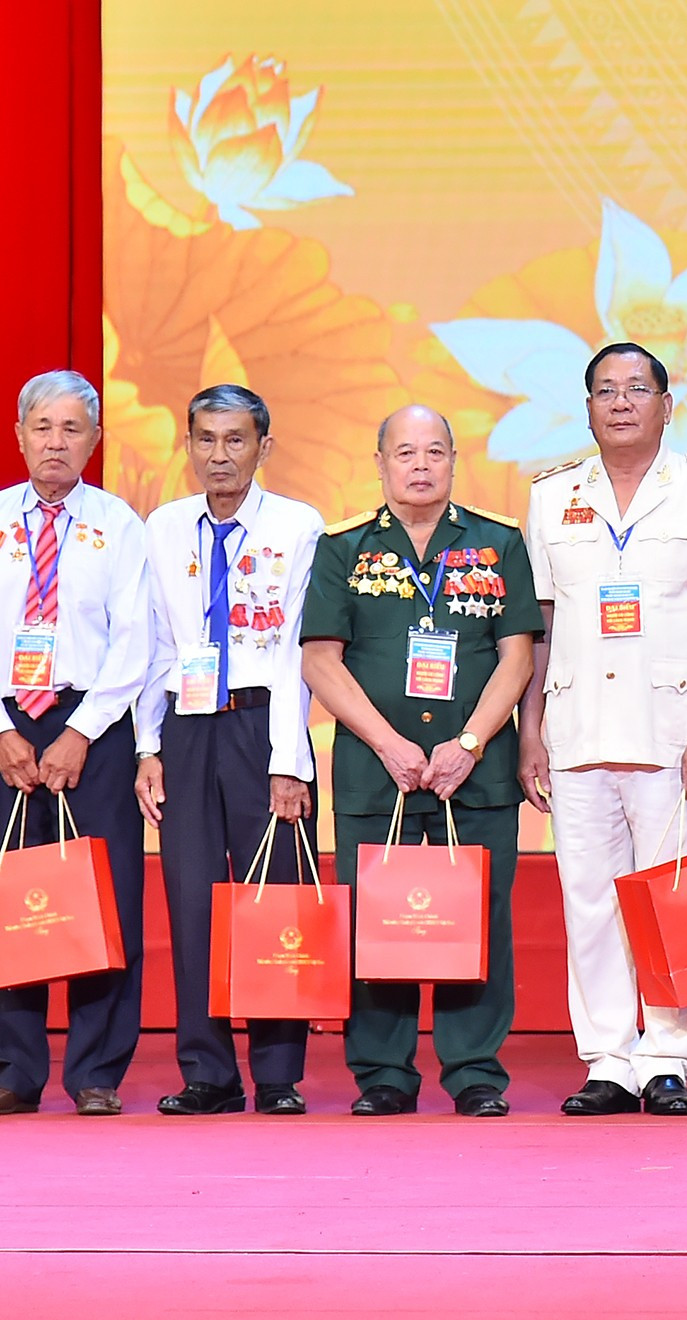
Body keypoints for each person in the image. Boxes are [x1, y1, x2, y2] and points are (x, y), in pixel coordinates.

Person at [518, 342, 687, 1118]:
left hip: (671, 726)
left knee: (672, 898)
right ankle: (610, 1058)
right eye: (605, 391)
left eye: (636, 389)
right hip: (578, 727)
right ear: (587, 408)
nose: (621, 402)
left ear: (666, 404)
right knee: (589, 900)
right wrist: (531, 729)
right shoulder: (551, 496)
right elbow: (539, 626)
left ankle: (669, 1057)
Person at [299, 405, 540, 1118]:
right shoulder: (343, 548)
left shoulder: (498, 544)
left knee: (481, 917)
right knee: (380, 920)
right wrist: (389, 743)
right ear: (380, 464)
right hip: (380, 771)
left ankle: (474, 1071)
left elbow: (517, 656)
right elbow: (321, 661)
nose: (421, 464)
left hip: (478, 772)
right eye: (405, 452)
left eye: (435, 451)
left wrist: (468, 744)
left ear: (455, 461)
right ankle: (382, 1072)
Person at [136, 384, 325, 1117]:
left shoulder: (297, 526)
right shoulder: (164, 526)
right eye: (206, 440)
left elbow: (295, 653)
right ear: (188, 444)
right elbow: (156, 643)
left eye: (236, 440)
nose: (220, 454)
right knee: (191, 899)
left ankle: (277, 1072)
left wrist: (288, 761)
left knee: (271, 896)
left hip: (260, 722)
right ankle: (208, 1072)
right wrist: (148, 747)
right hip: (186, 725)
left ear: (263, 447)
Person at [0, 371, 150, 1117]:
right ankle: (13, 1068)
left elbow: (136, 640)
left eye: (72, 430)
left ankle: (96, 1069)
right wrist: (3, 729)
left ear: (94, 441)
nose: (56, 442)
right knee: (10, 901)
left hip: (93, 724)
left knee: (105, 897)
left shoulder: (118, 524)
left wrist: (81, 732)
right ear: (20, 433)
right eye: (42, 427)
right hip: (5, 727)